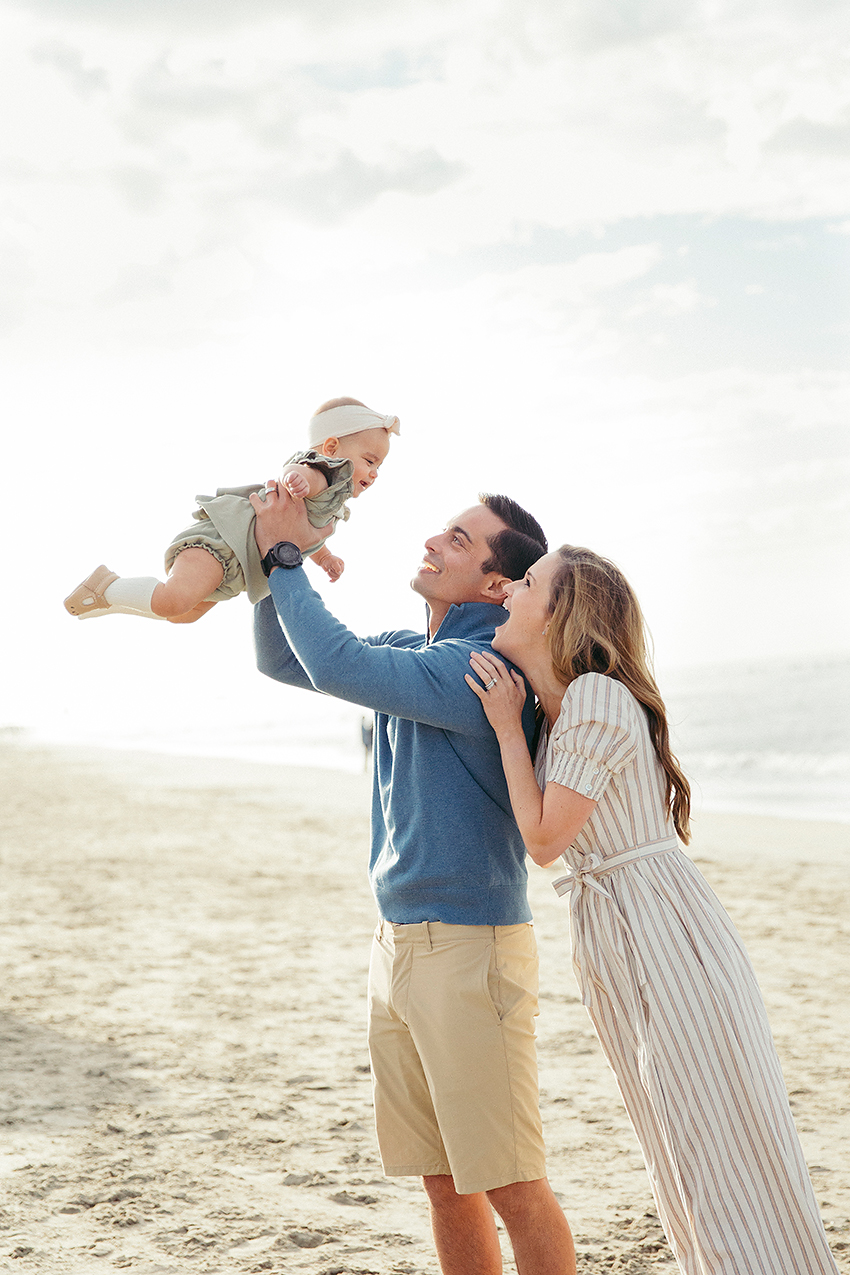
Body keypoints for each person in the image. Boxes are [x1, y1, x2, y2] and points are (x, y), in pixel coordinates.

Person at [465, 544, 839, 1275]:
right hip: (616, 929)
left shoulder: (597, 697)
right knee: (678, 1143)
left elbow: (544, 838)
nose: (510, 587)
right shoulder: (562, 708)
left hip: (660, 926)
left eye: (528, 581)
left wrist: (508, 727)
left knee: (714, 1141)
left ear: (562, 614)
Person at [252, 486, 577, 1275]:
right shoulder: (419, 650)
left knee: (512, 1187)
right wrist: (271, 566)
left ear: (498, 584)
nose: (435, 539)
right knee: (444, 1181)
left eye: (460, 540)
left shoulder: (478, 666)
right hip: (399, 943)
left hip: (469, 953)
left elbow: (334, 661)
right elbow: (284, 657)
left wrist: (285, 553)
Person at [62, 397, 399, 624]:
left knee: (184, 615)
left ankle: (109, 601)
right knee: (174, 601)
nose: (374, 473)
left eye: (379, 466)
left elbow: (304, 533)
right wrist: (296, 481)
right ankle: (106, 585)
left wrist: (324, 558)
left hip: (237, 569)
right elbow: (296, 473)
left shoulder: (331, 505)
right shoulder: (322, 472)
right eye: (370, 461)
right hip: (222, 545)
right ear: (331, 448)